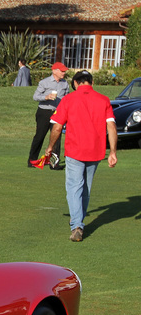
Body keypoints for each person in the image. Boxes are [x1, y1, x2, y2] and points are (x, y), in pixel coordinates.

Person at [43, 70, 116, 242]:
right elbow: (111, 127)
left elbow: (57, 127)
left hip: (75, 150)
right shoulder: (104, 99)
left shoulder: (68, 99)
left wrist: (50, 147)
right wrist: (113, 151)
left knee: (74, 188)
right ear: (91, 82)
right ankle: (78, 220)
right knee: (85, 188)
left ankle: (76, 225)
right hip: (96, 151)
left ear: (75, 83)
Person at [28, 62, 70, 167]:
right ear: (54, 71)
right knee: (39, 136)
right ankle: (32, 161)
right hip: (44, 112)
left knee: (56, 137)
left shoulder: (65, 84)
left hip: (58, 113)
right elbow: (35, 96)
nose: (64, 73)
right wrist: (46, 97)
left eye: (64, 71)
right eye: (62, 71)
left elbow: (67, 97)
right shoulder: (44, 82)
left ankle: (54, 163)